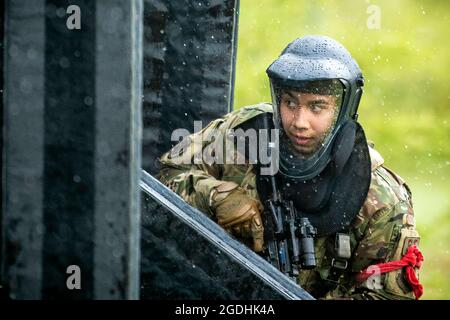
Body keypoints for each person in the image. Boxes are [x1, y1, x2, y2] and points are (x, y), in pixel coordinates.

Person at [157, 35, 423, 300]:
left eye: (317, 107)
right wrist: (215, 197)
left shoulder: (380, 199)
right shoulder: (241, 133)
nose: (299, 122)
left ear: (343, 109)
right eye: (290, 103)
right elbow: (161, 182)